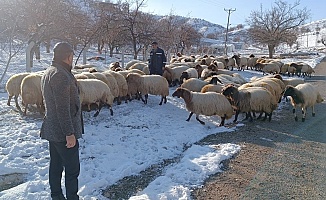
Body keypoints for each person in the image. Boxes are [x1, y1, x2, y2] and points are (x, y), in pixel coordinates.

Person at [40, 42, 83, 200]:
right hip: (62, 133)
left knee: (56, 166)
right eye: (72, 55)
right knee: (72, 170)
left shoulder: (50, 71)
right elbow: (63, 108)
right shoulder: (60, 75)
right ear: (68, 56)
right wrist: (69, 133)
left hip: (53, 130)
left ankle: (56, 196)